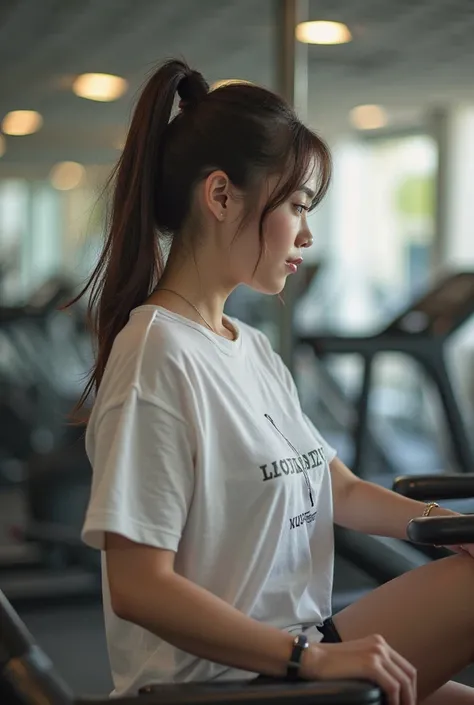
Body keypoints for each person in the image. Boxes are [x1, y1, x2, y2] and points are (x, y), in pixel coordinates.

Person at [76, 59, 474, 705]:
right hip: (225, 683)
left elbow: (336, 486)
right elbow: (139, 586)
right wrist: (308, 660)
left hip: (295, 651)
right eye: (296, 205)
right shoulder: (157, 355)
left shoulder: (249, 346)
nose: (307, 233)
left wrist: (449, 528)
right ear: (222, 196)